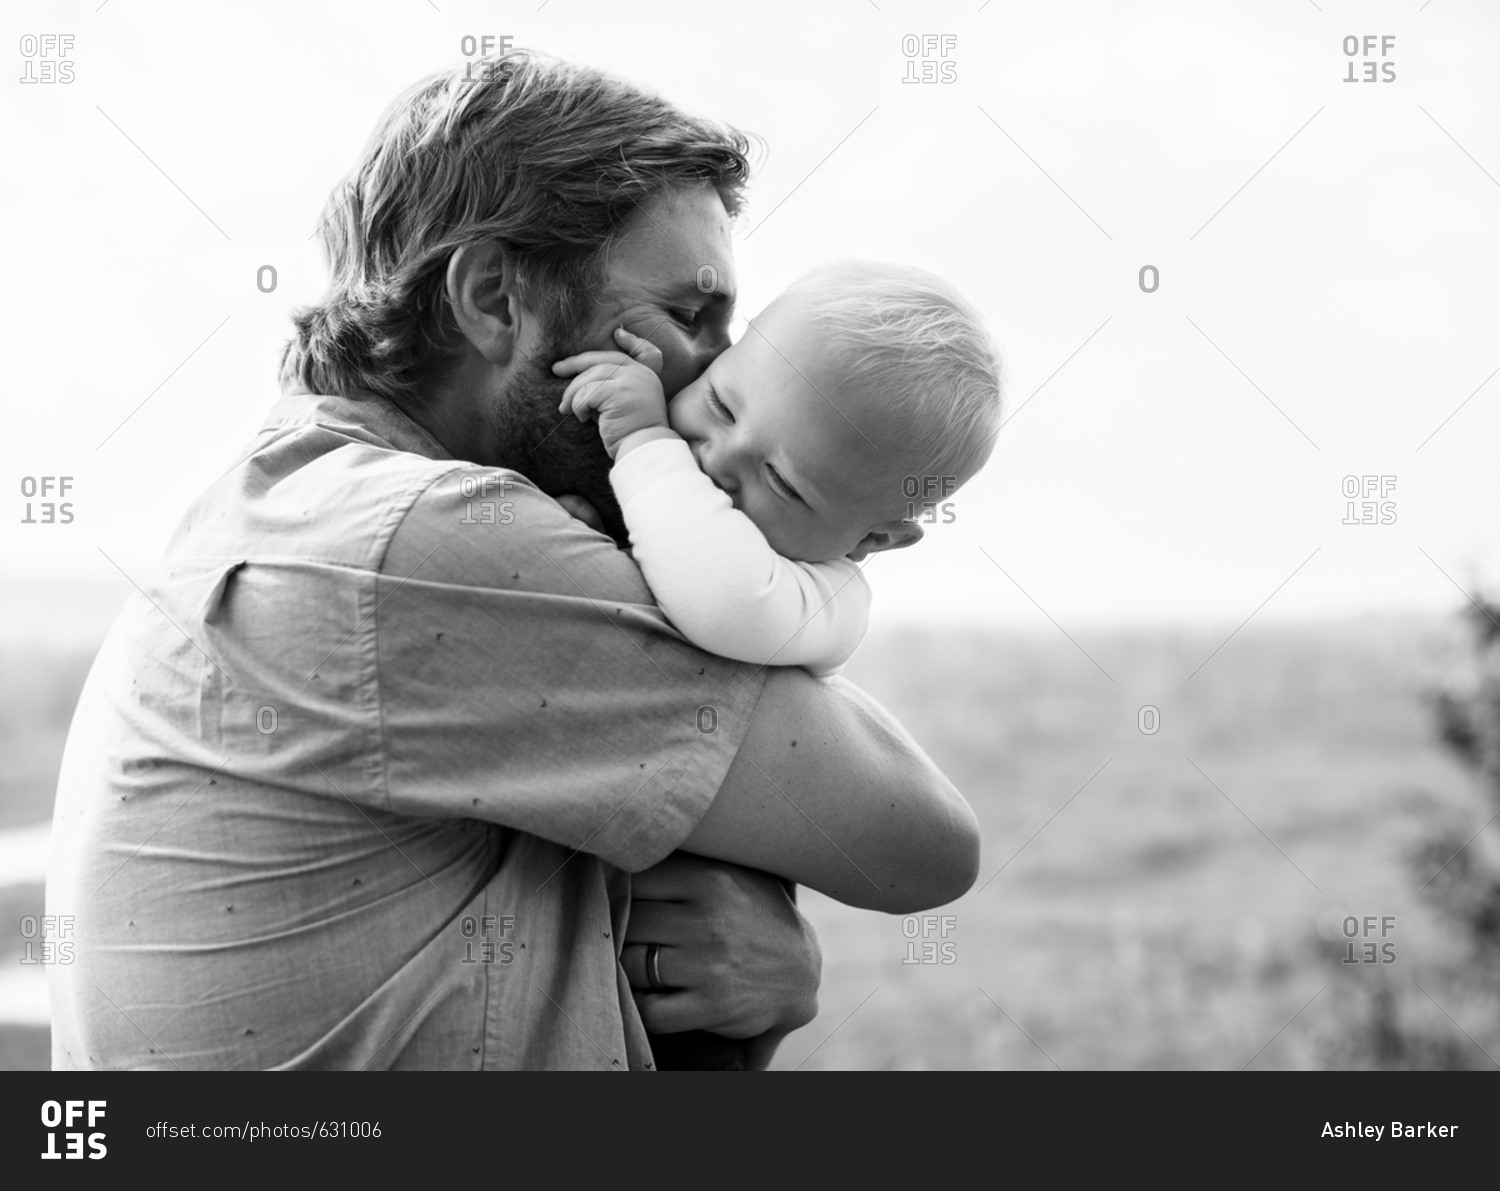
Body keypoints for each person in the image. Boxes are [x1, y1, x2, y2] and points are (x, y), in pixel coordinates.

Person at [46, 48, 979, 1071]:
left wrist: (763, 955)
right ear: (495, 299)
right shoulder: (425, 542)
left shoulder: (293, 506)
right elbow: (917, 842)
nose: (710, 373)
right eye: (685, 316)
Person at [553, 259, 1003, 676]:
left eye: (780, 481)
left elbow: (723, 600)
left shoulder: (834, 602)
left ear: (871, 538)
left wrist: (643, 441)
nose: (717, 458)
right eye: (720, 404)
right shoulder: (679, 493)